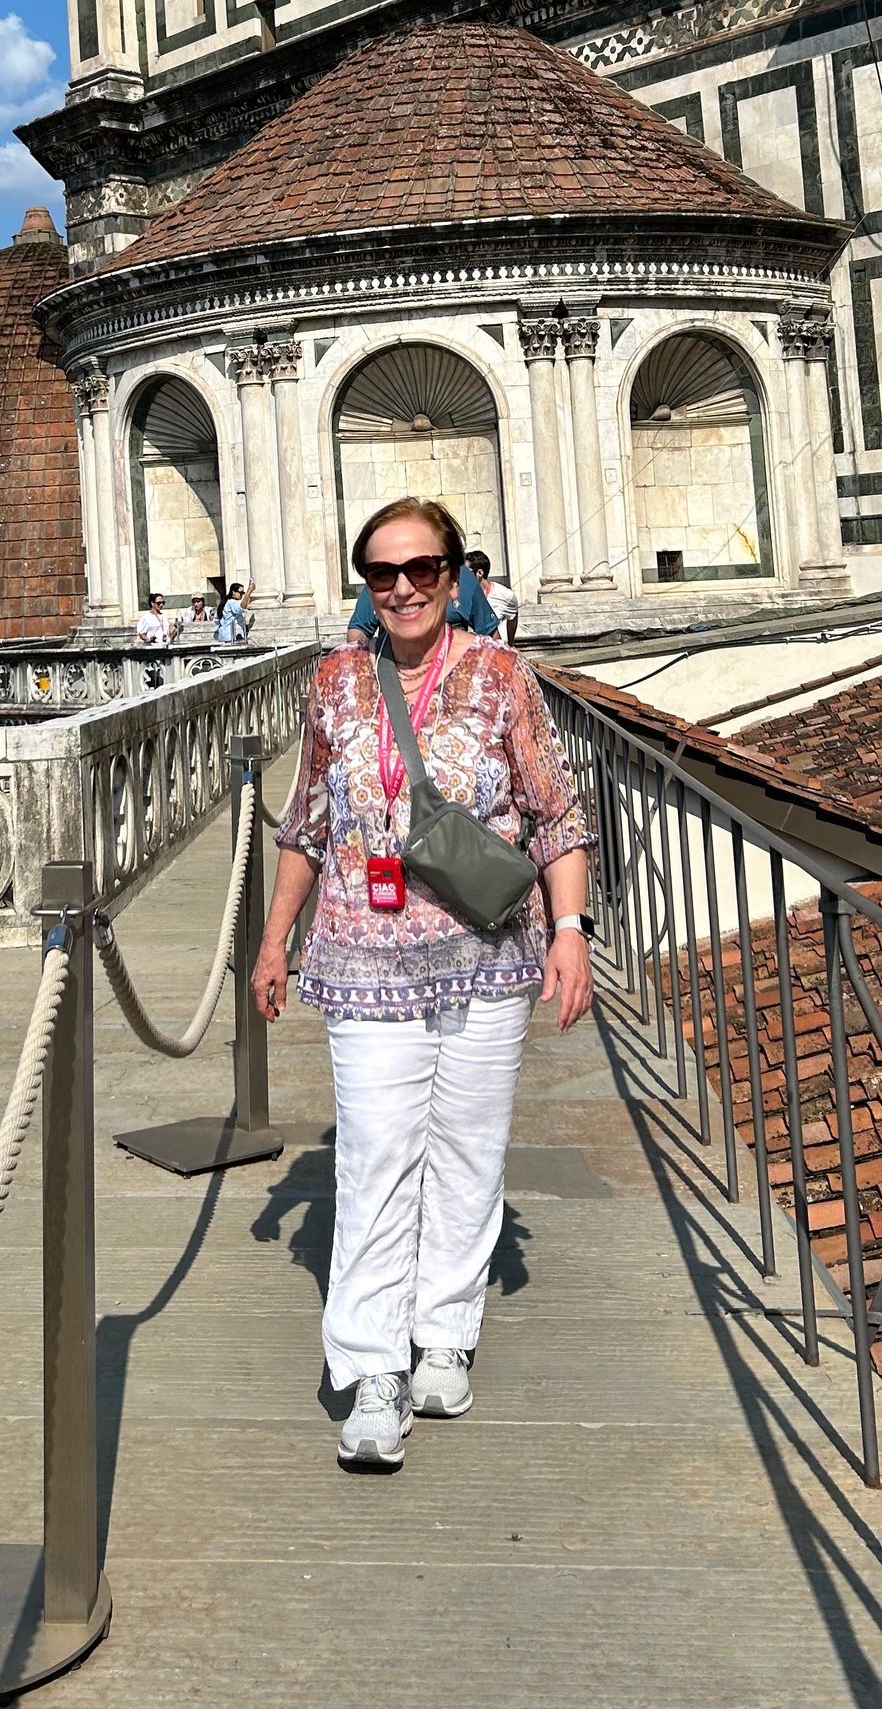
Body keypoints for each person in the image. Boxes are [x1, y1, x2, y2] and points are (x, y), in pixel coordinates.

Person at [252, 496, 593, 1472]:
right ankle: (372, 1369)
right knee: (374, 1158)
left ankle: (444, 1330)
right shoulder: (334, 682)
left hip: (487, 956)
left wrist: (570, 932)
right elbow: (307, 822)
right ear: (365, 584)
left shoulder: (501, 677)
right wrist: (274, 940)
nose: (402, 588)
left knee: (469, 1152)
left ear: (454, 576)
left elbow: (556, 814)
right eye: (382, 572)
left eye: (422, 569)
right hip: (363, 960)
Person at [345, 549, 498, 642]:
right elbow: (359, 630)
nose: (403, 590)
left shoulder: (463, 577)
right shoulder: (380, 578)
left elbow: (490, 634)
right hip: (391, 675)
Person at [465, 549, 519, 647]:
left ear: (479, 573)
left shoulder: (505, 595)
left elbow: (513, 616)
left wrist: (510, 643)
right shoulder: (461, 594)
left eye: (466, 572)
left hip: (491, 649)